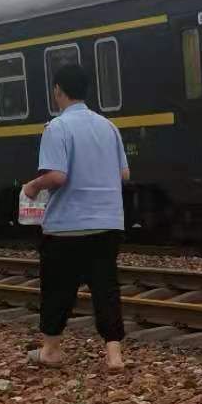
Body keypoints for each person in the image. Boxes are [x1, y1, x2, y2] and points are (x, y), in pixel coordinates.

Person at [21, 63, 129, 370]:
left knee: (58, 288)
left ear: (58, 91)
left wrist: (32, 186)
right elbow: (124, 173)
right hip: (108, 222)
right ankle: (114, 355)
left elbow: (56, 176)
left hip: (68, 226)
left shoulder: (57, 128)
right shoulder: (109, 127)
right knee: (106, 287)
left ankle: (51, 350)